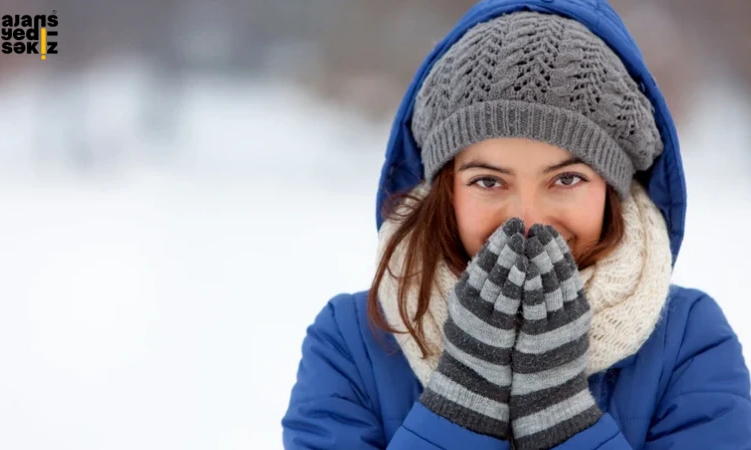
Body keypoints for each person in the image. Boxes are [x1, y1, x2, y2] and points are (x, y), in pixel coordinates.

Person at [282, 1, 751, 449]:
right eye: (488, 181)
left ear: (612, 188)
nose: (526, 219)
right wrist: (461, 404)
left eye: (566, 179)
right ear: (446, 189)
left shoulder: (689, 343)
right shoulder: (351, 344)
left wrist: (563, 422)